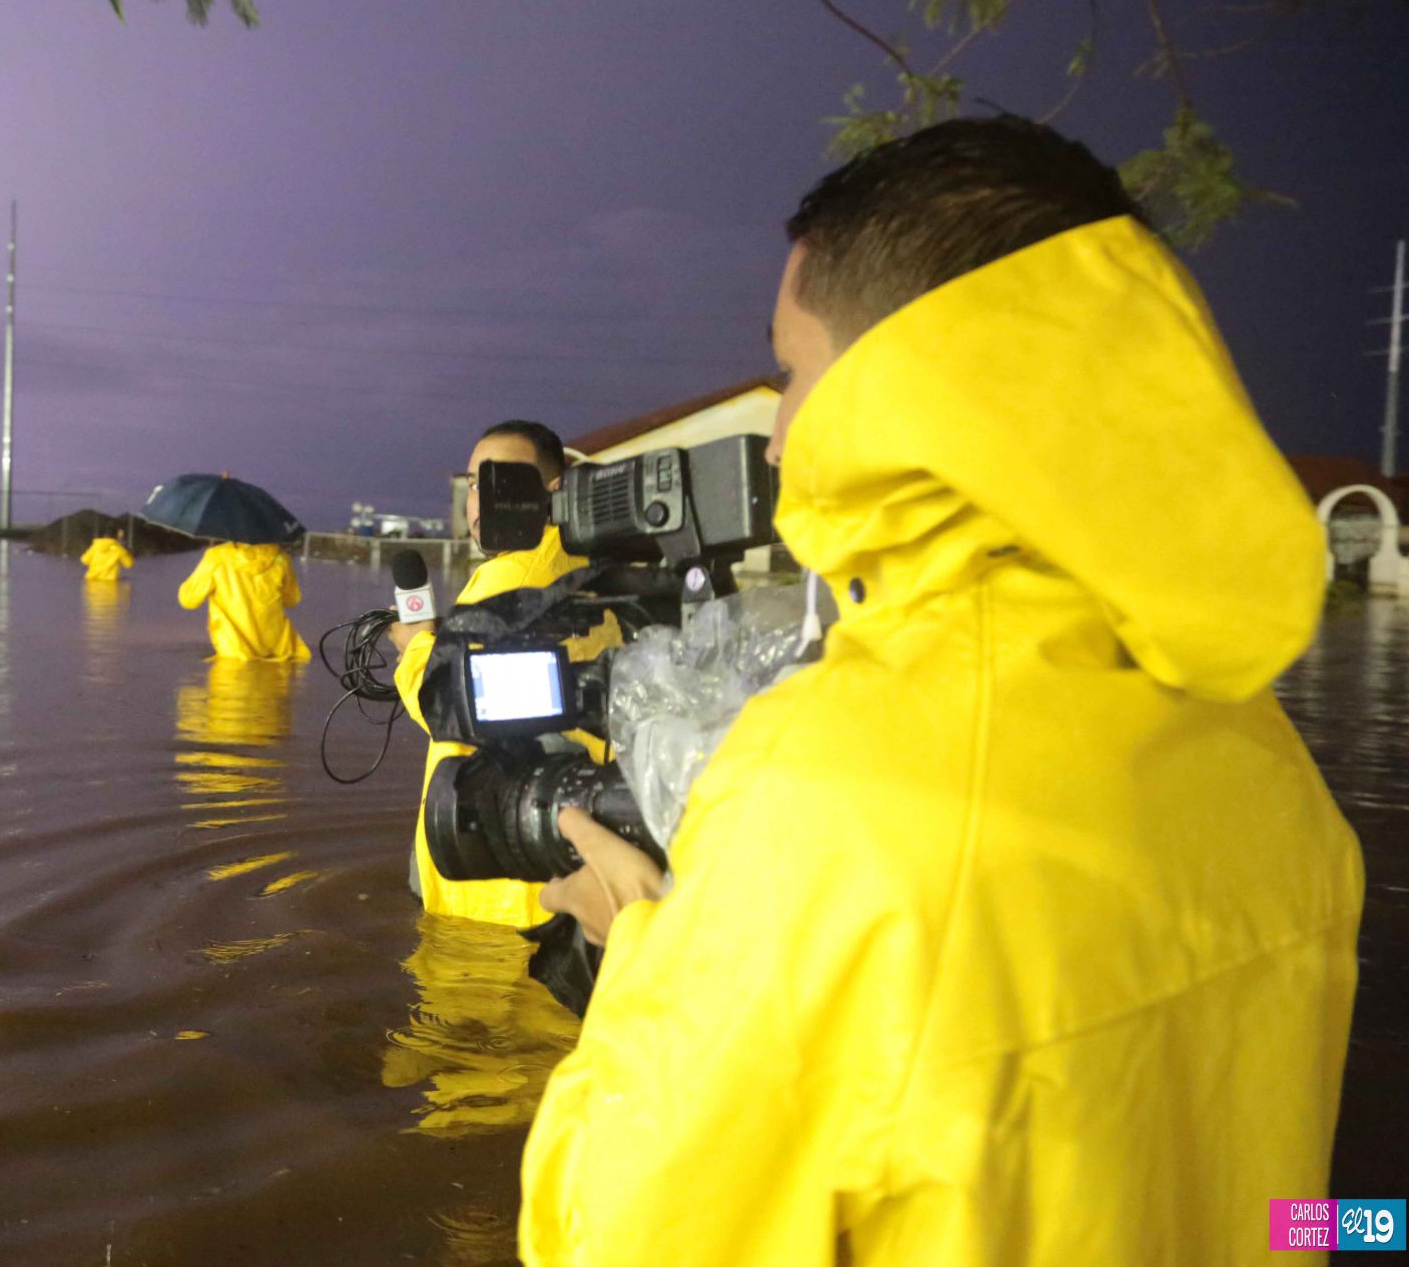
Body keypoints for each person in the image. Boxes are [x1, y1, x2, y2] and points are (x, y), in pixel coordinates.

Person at [519, 117, 1364, 1265]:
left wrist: (638, 971)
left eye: (794, 369)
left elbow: (617, 1239)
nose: (776, 437)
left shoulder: (824, 793)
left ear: (904, 384)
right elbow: (1300, 1215)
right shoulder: (1270, 760)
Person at [389, 421, 617, 927]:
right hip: (566, 847)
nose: (481, 500)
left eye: (501, 481)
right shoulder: (588, 565)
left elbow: (448, 706)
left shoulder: (513, 576)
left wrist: (416, 644)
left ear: (552, 490)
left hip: (496, 874)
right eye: (473, 484)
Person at [178, 540, 311, 662]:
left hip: (234, 646)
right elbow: (292, 600)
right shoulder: (281, 557)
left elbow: (189, 600)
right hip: (277, 646)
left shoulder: (216, 557)